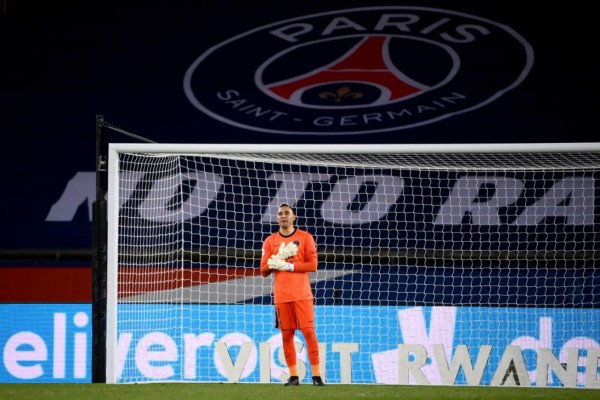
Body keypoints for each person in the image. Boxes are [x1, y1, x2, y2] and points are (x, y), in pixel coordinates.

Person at [260, 203, 325, 386]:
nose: (283, 216)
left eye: (287, 213)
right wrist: (275, 261)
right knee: (286, 336)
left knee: (309, 333)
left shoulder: (305, 237)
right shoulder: (270, 241)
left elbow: (313, 266)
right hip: (282, 296)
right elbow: (263, 271)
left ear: (294, 217)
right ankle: (294, 376)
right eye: (280, 213)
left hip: (302, 295)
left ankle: (316, 376)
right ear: (277, 218)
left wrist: (289, 266)